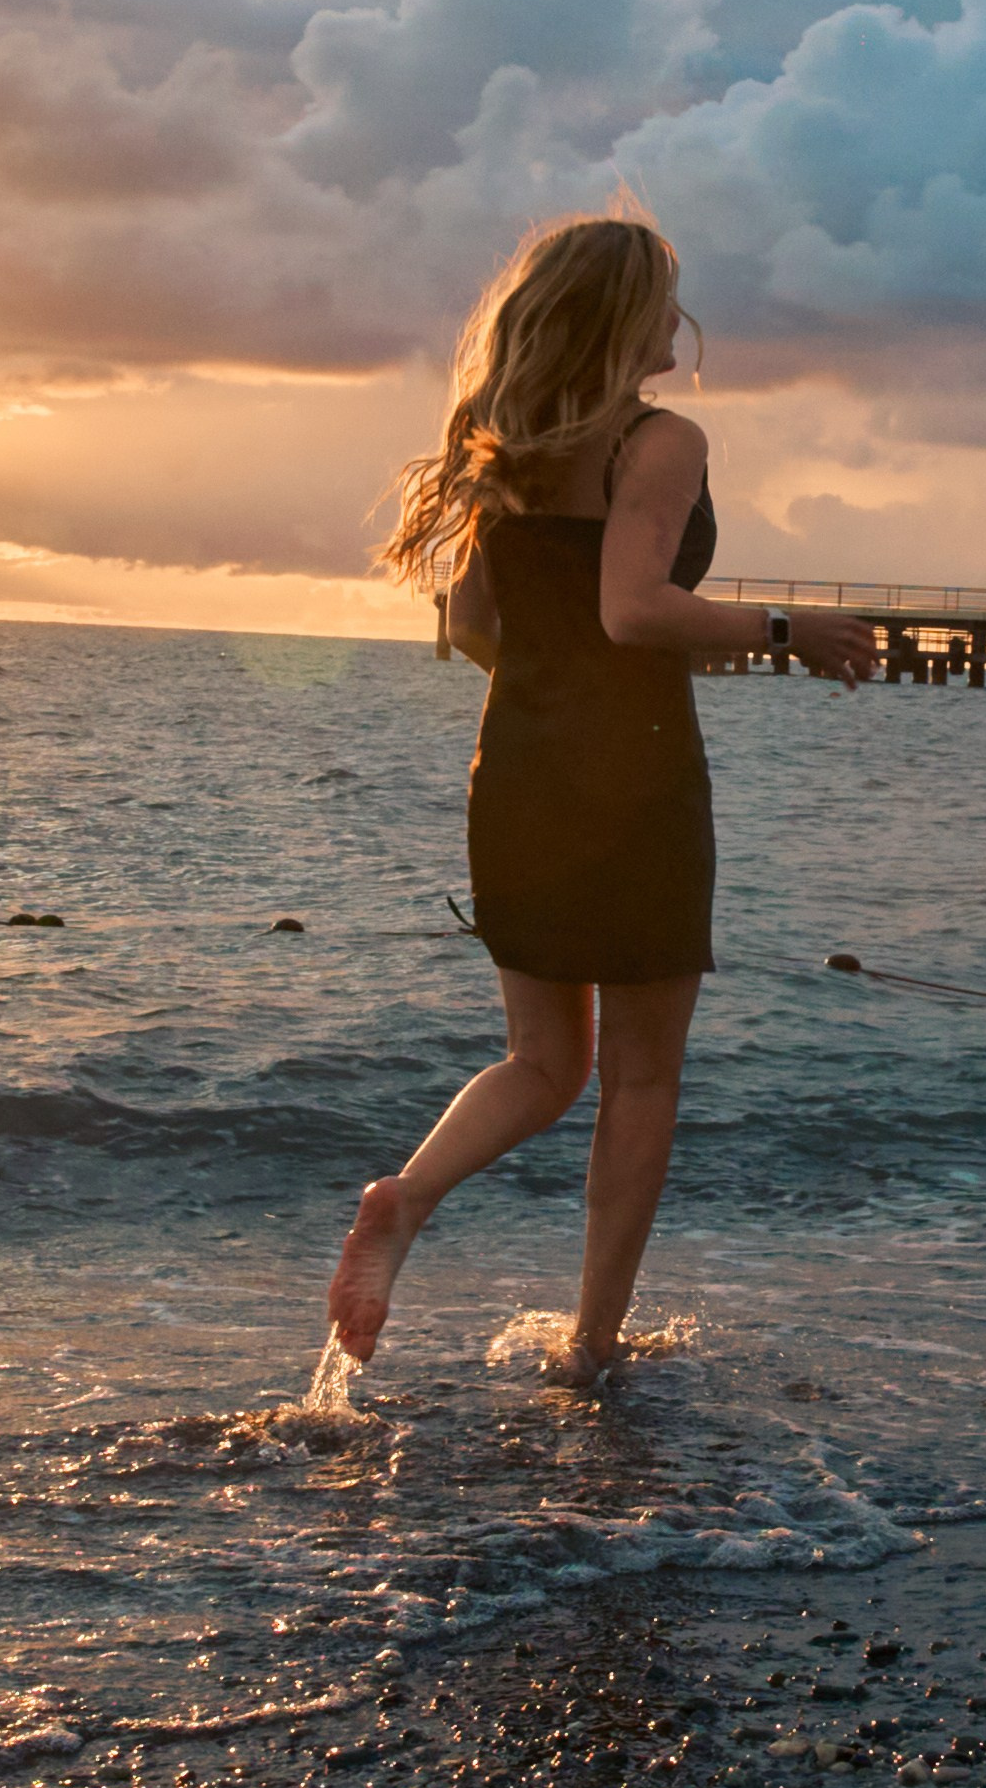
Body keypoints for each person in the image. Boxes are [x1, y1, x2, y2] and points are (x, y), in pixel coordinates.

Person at [326, 212, 877, 1390]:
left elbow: (473, 628)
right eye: (667, 300)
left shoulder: (504, 450)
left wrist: (547, 704)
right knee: (638, 1074)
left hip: (515, 769)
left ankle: (403, 1196)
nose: (681, 323)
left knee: (539, 1062)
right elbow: (632, 610)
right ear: (623, 318)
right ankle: (589, 1347)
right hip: (630, 773)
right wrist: (787, 630)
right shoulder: (658, 440)